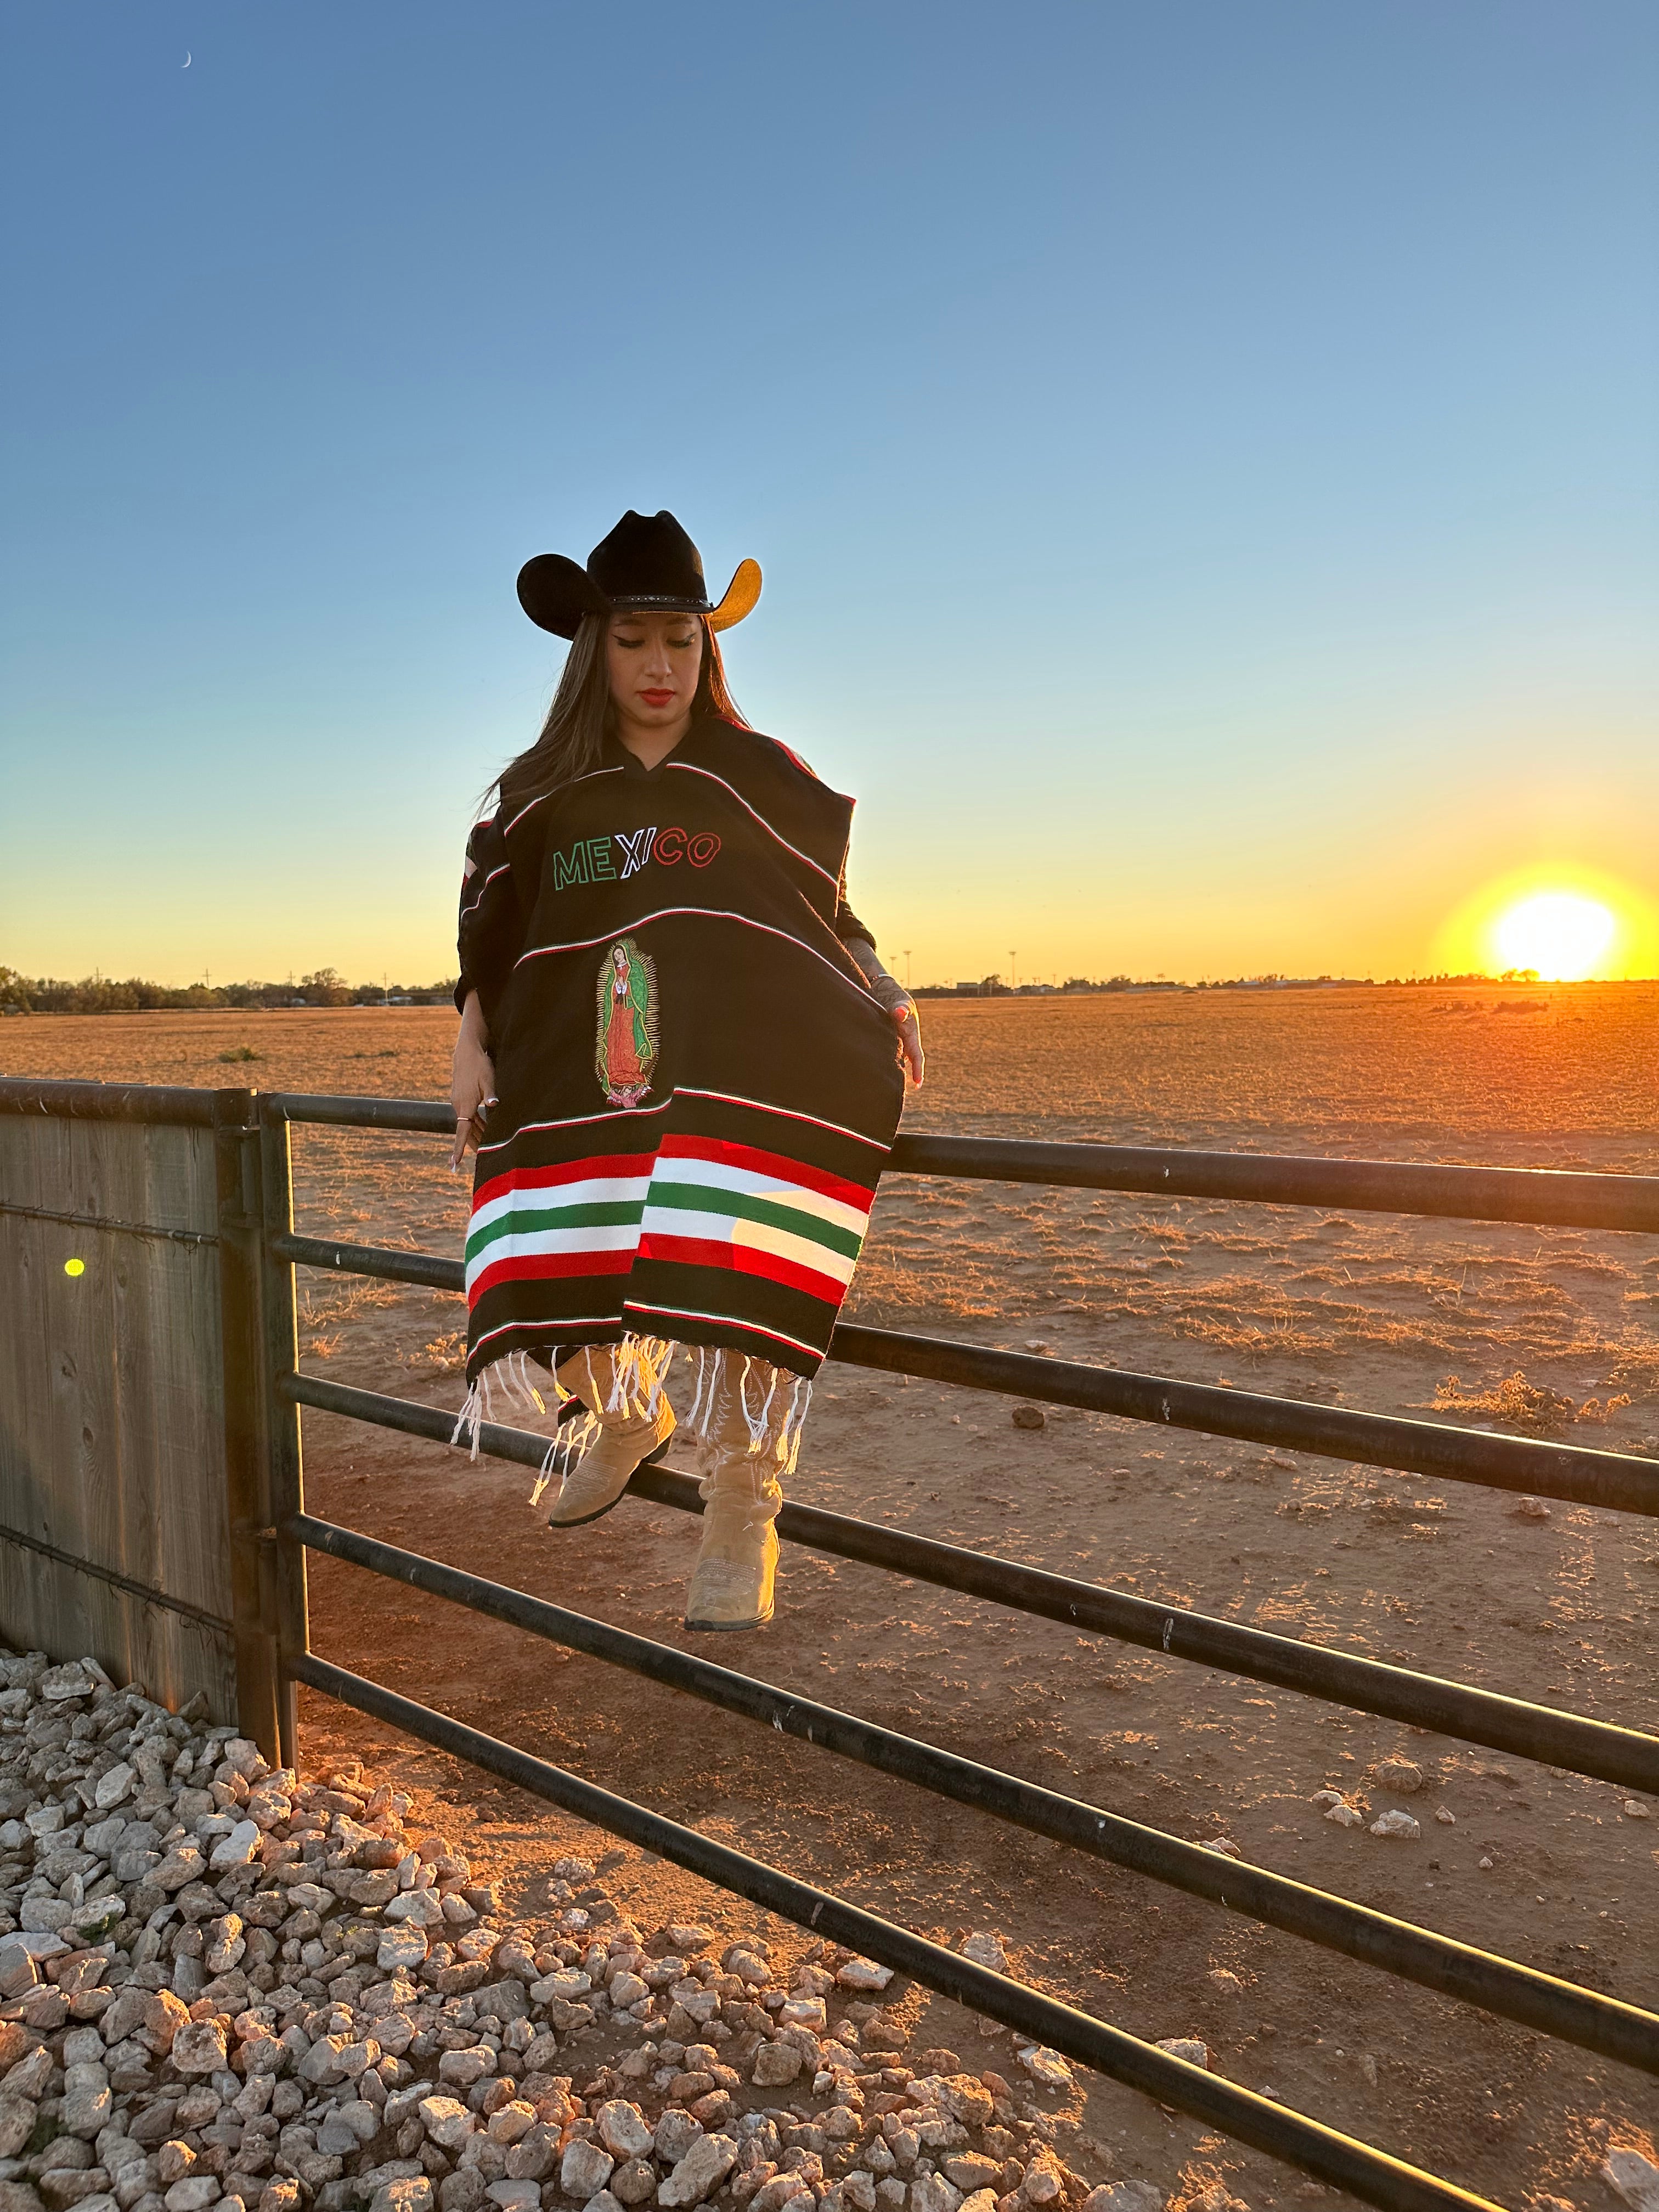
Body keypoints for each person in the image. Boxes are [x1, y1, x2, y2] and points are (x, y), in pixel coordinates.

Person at [449, 510, 922, 1633]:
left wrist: (883, 985)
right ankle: (622, 1410)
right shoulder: (539, 792)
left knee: (738, 1241)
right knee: (548, 1229)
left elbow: (825, 912)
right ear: (591, 652)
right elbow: (493, 930)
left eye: (682, 639)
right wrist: (470, 1038)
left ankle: (744, 1495)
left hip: (735, 1055)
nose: (660, 666)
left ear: (711, 649)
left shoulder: (759, 775)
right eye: (633, 641)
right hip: (584, 1057)